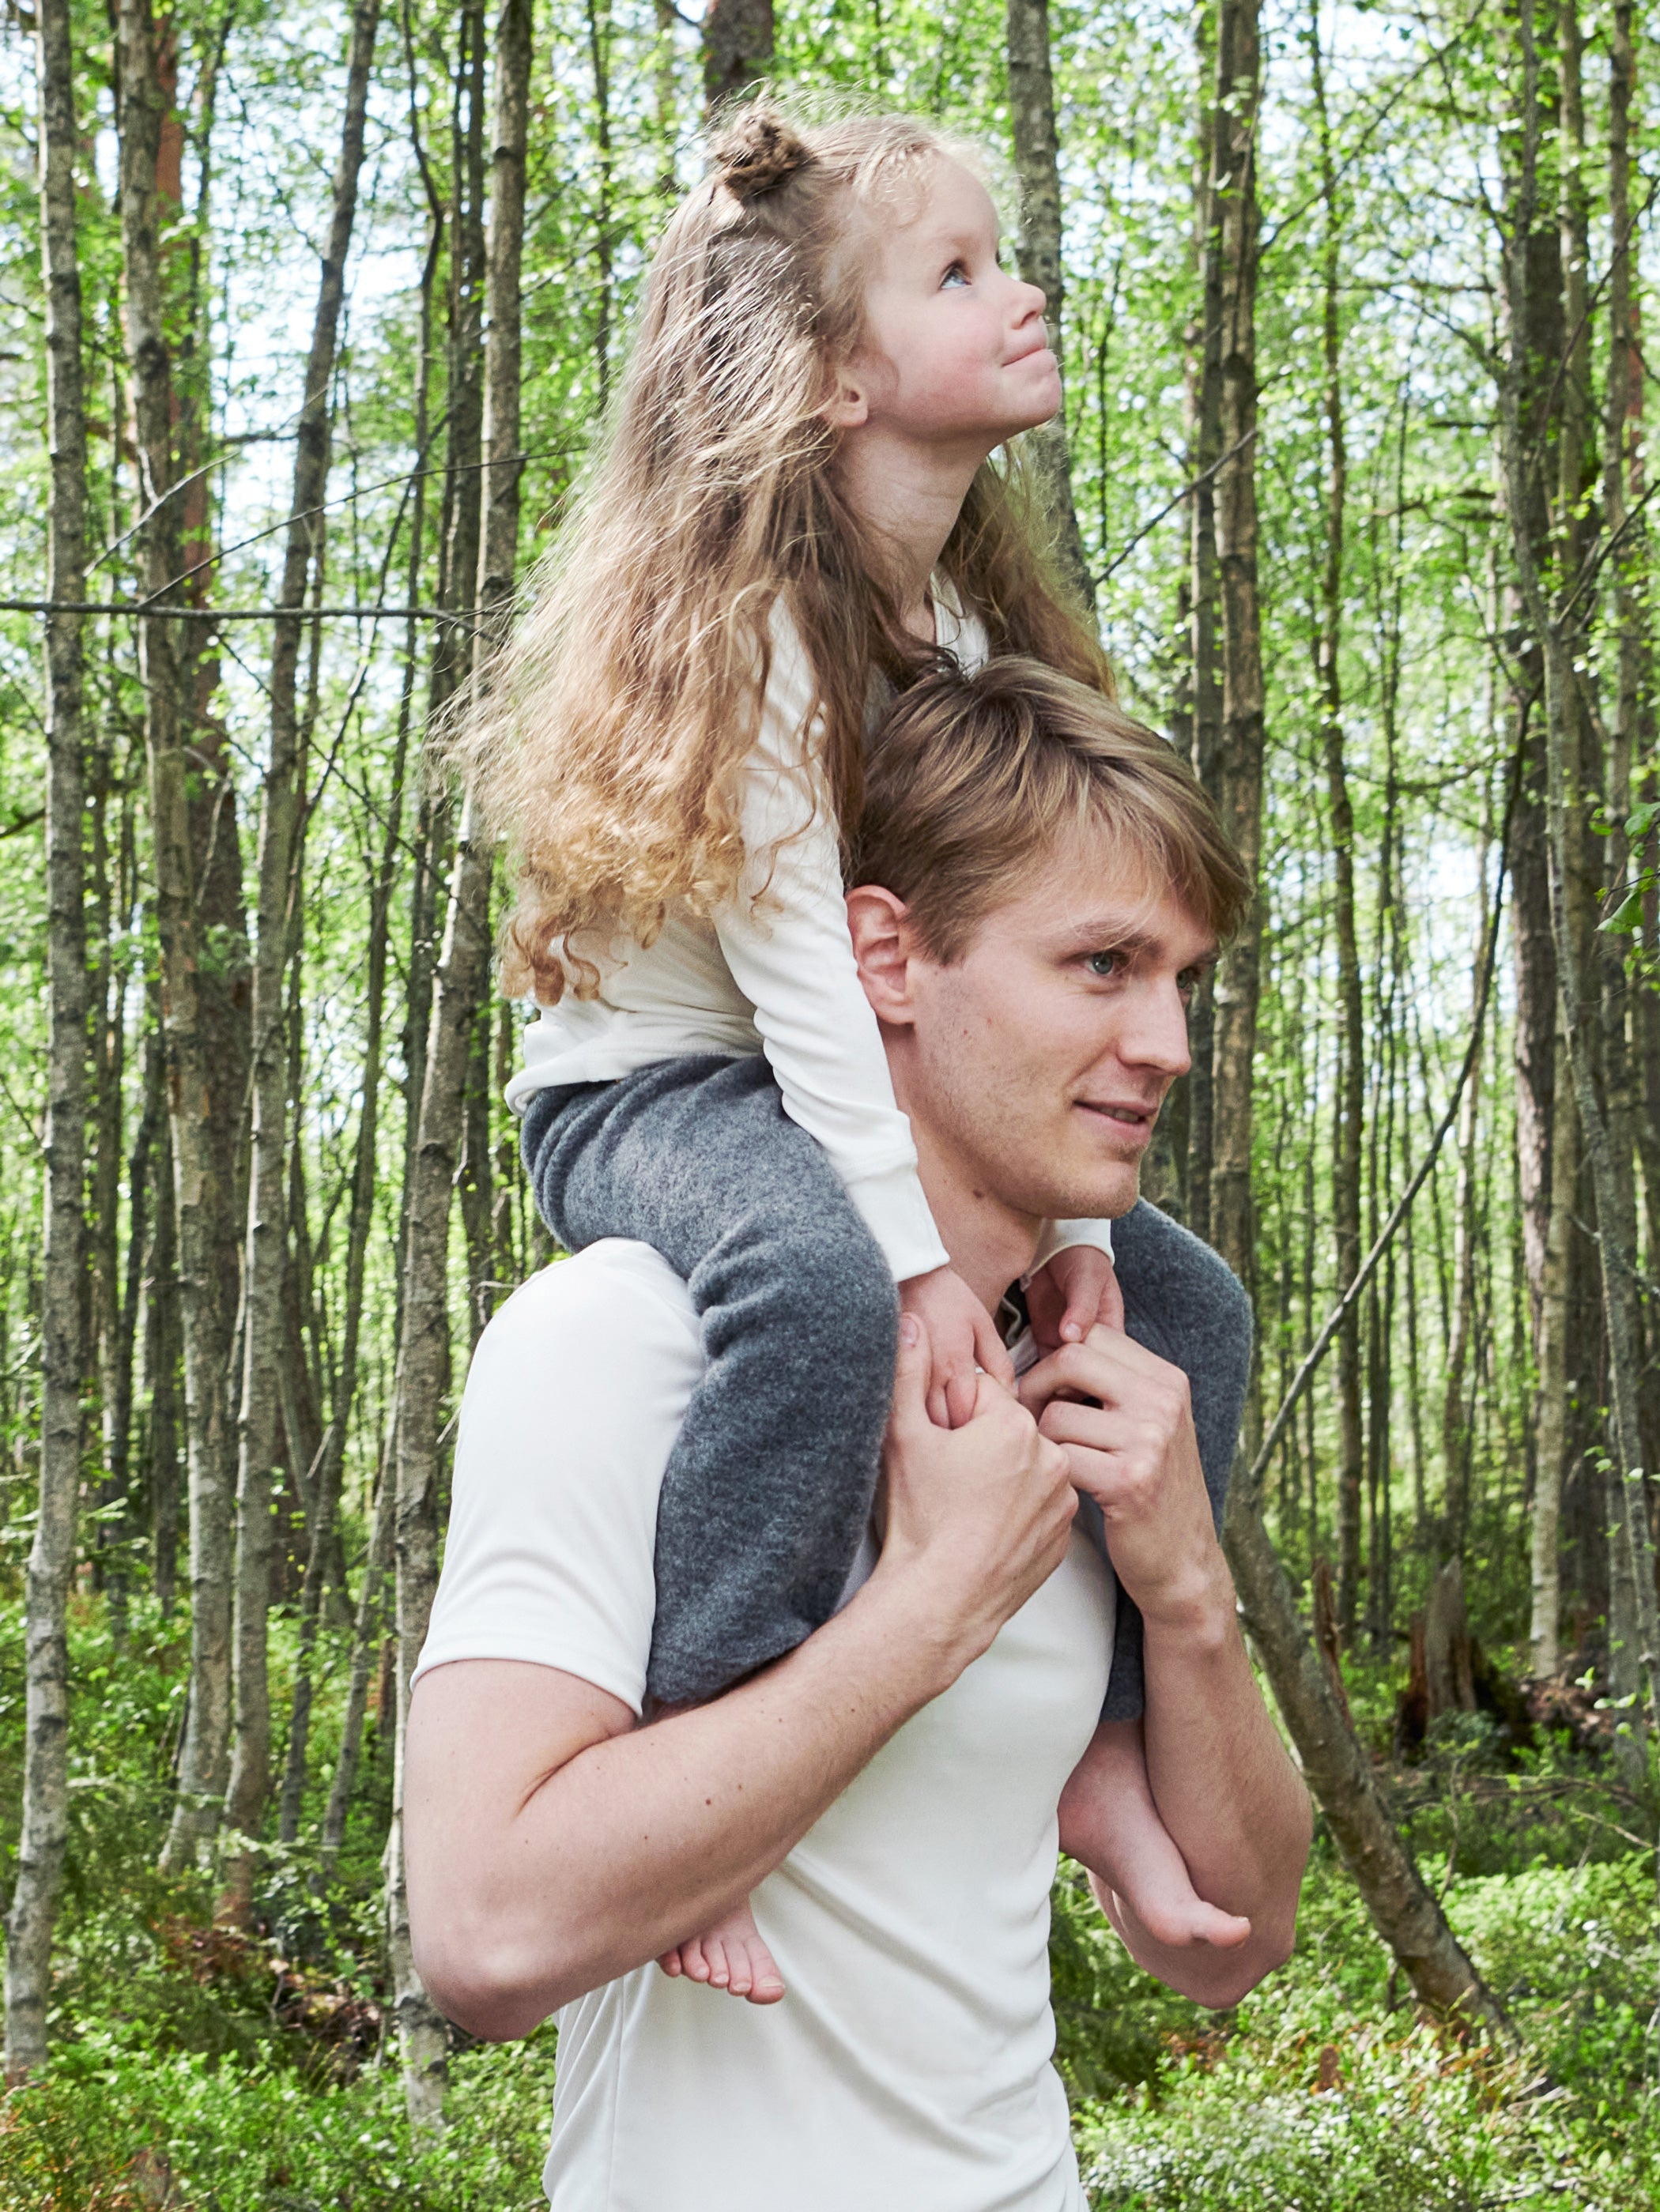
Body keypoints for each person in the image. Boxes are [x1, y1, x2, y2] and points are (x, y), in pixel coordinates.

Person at [460, 96, 1246, 2000]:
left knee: (1186, 1303)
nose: (1021, 292)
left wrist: (1070, 1242)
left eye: (1007, 255)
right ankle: (694, 1749)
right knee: (813, 1287)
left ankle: (1117, 1755)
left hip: (822, 1094)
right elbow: (822, 982)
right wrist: (917, 1263)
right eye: (959, 273)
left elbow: (974, 928)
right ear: (829, 378)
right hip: (650, 1092)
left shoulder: (962, 617)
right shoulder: (753, 634)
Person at [406, 655, 1312, 2212]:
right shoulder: (620, 1339)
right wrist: (932, 1604)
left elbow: (1226, 1933)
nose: (1166, 1039)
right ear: (886, 958)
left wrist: (1187, 1593)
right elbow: (486, 1943)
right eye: (1102, 964)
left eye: (1182, 979)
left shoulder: (1098, 1366)